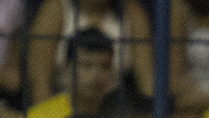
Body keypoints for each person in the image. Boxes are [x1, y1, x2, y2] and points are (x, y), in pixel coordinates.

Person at [25, 0, 154, 106]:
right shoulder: (56, 8)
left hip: (114, 109)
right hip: (62, 106)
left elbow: (147, 82)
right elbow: (39, 82)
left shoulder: (131, 12)